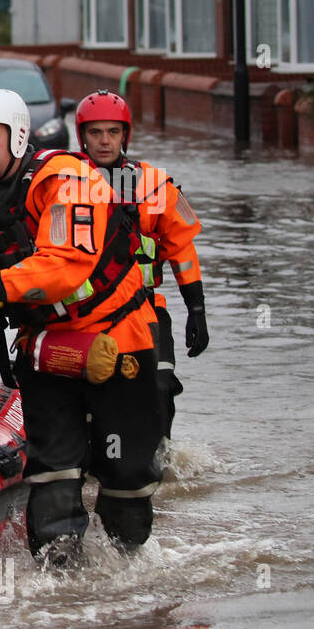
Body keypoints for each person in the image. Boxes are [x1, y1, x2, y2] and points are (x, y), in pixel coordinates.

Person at [0, 88, 162, 565]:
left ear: (17, 136)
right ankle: (59, 576)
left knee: (126, 474)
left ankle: (130, 568)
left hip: (119, 339)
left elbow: (62, 268)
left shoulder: (70, 181)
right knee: (51, 470)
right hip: (45, 350)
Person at [74, 89, 208, 438]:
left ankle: (157, 457)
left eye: (113, 132)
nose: (105, 141)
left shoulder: (152, 185)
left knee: (160, 386)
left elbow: (182, 249)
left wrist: (197, 309)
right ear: (81, 136)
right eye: (95, 132)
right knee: (85, 393)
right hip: (83, 314)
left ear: (126, 135)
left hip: (145, 309)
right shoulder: (62, 181)